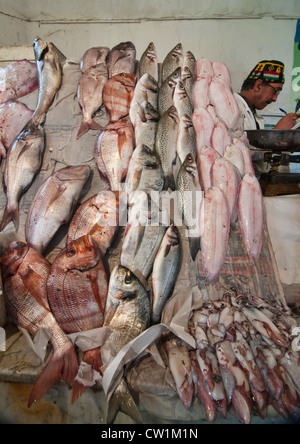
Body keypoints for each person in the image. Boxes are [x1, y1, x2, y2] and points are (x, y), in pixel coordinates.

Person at [234, 60, 297, 131]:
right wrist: (277, 131)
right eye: (275, 91)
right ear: (258, 85)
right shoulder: (232, 109)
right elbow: (236, 141)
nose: (275, 99)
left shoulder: (251, 113)